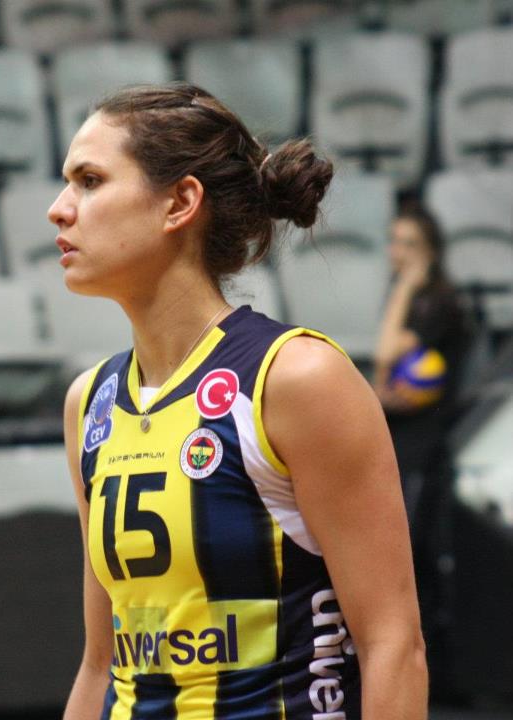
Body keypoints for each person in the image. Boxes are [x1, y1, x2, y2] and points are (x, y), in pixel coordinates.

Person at [48, 82, 427, 720]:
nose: (59, 210)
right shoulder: (90, 403)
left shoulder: (296, 378)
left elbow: (394, 646)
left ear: (180, 202)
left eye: (89, 181)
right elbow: (99, 662)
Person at [373, 205, 471, 696]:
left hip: (424, 446)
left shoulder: (439, 303)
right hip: (399, 440)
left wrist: (405, 288)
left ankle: (436, 676)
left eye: (409, 243)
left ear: (431, 250)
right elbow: (382, 380)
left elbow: (387, 354)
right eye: (394, 241)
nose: (398, 252)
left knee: (414, 557)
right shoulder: (411, 301)